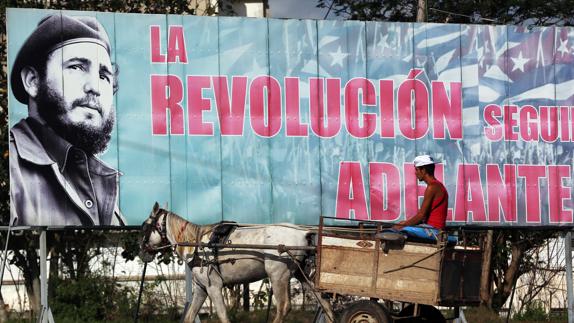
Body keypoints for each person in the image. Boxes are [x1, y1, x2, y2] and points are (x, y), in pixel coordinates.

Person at [9, 14, 125, 226]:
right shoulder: (9, 169)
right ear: (32, 81)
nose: (95, 87)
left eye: (104, 76)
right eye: (77, 67)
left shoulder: (106, 186)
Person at [392, 155, 448, 239]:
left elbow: (421, 215)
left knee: (399, 230)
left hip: (433, 230)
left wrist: (403, 225)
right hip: (431, 228)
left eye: (416, 169)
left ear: (423, 170)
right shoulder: (437, 185)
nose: (415, 172)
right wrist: (404, 223)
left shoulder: (432, 187)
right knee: (401, 225)